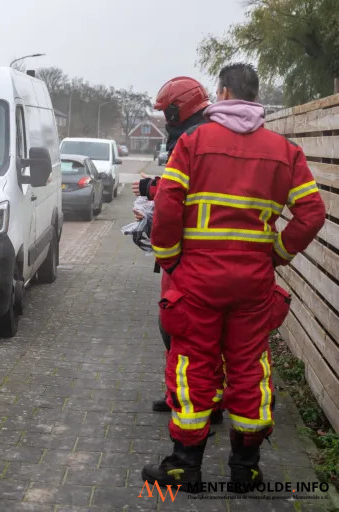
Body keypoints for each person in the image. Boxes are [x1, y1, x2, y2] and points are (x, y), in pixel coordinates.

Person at [142, 63, 326, 491]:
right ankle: (247, 469)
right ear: (255, 95)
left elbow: (168, 203)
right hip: (253, 284)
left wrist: (170, 260)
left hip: (198, 281)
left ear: (222, 93)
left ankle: (184, 465)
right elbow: (312, 212)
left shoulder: (192, 142)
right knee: (249, 368)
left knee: (193, 365)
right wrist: (277, 254)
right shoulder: (285, 150)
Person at [131, 77, 225, 418]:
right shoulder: (196, 133)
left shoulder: (193, 137)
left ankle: (201, 402)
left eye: (167, 111)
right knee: (177, 327)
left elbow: (187, 191)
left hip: (188, 254)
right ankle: (182, 394)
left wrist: (152, 196)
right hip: (191, 251)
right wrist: (152, 188)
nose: (165, 118)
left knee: (181, 328)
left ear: (178, 108)